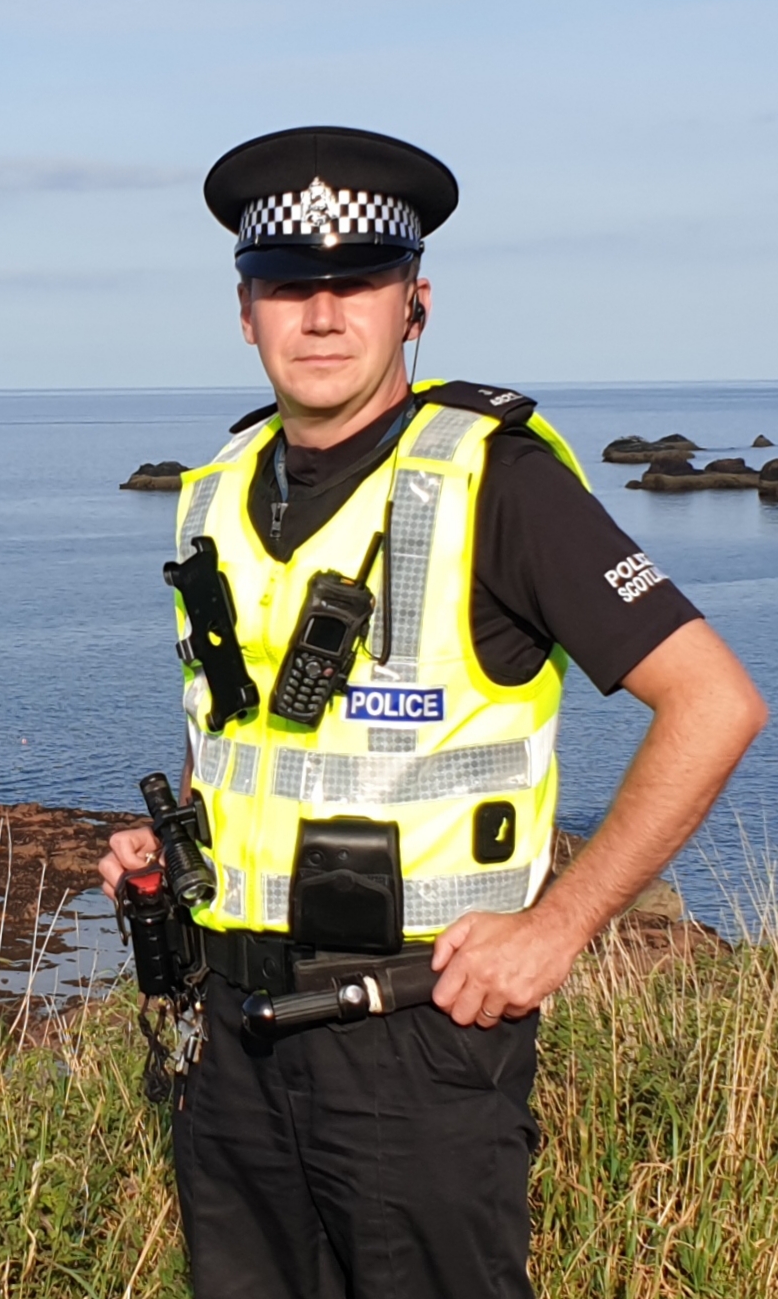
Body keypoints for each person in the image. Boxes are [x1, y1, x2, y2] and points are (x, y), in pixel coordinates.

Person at [98, 126, 766, 1299]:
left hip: (413, 1033)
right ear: (244, 311)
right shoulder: (213, 494)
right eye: (285, 287)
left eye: (355, 283)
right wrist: (182, 839)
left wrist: (554, 930)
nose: (319, 316)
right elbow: (241, 731)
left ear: (413, 303)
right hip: (232, 1029)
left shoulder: (495, 479)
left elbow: (714, 703)